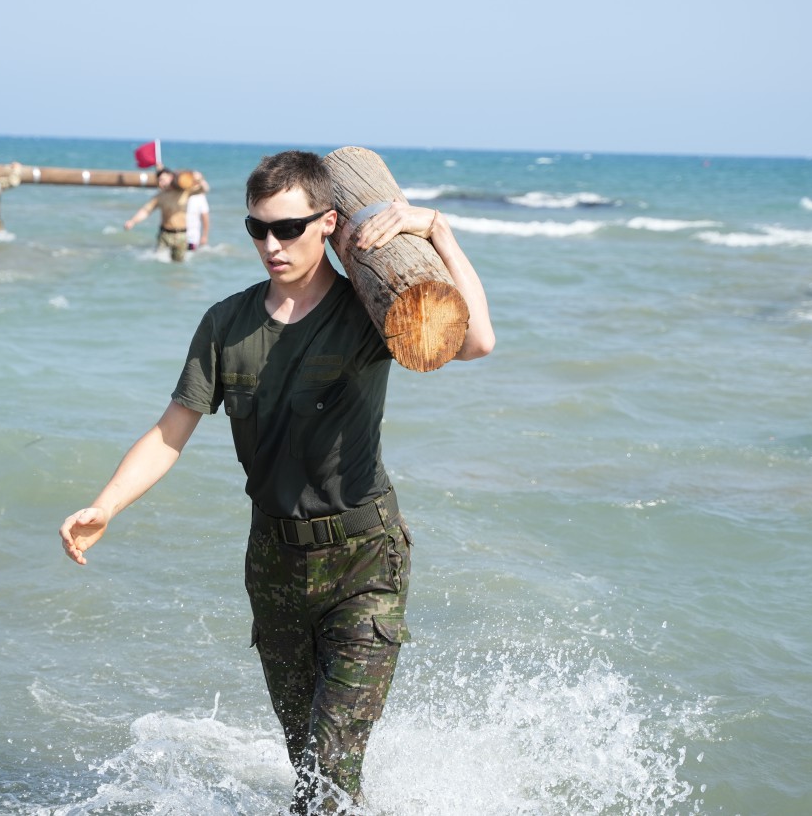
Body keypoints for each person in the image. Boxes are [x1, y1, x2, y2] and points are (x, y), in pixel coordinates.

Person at [60, 150, 495, 813]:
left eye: (288, 228)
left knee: (331, 767)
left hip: (364, 560)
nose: (271, 245)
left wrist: (438, 231)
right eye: (257, 229)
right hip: (274, 565)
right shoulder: (226, 324)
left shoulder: (368, 311)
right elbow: (170, 432)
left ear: (327, 223)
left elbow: (477, 342)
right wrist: (105, 506)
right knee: (309, 769)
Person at [123, 168, 210, 262]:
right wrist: (133, 221)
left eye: (163, 180)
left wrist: (199, 179)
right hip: (164, 234)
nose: (161, 183)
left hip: (181, 235)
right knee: (159, 261)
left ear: (171, 177)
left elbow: (204, 189)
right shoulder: (160, 196)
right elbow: (146, 211)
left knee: (178, 264)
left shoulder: (184, 192)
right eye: (159, 181)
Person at [186, 187, 211, 251]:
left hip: (192, 237)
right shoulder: (177, 195)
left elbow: (205, 218)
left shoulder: (199, 197)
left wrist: (205, 236)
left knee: (190, 254)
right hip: (176, 234)